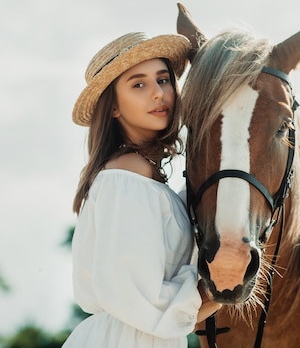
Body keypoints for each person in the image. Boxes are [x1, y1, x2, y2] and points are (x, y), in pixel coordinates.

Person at [64, 32, 221, 348]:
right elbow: (143, 302)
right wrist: (222, 288)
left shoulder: (142, 174)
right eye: (138, 84)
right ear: (113, 108)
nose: (157, 93)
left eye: (163, 80)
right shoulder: (126, 175)